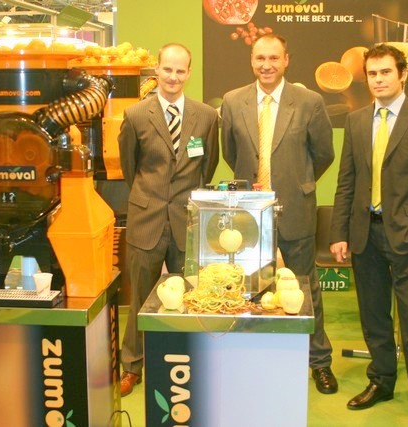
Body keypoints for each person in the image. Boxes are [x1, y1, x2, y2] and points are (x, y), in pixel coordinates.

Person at [329, 44, 408, 427]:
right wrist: (340, 232)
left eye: (386, 72)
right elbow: (347, 181)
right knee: (374, 317)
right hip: (365, 235)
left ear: (403, 74)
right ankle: (381, 380)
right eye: (372, 73)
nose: (378, 79)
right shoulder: (356, 121)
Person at [221, 34, 337, 394]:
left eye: (273, 58)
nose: (266, 65)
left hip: (296, 209)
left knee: (304, 287)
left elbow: (323, 154)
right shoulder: (233, 101)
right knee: (249, 289)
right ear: (251, 60)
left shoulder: (309, 102)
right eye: (260, 58)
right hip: (248, 214)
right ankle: (252, 360)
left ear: (286, 60)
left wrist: (300, 182)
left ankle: (319, 361)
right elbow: (230, 152)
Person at [117, 43, 219, 396]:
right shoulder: (135, 115)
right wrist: (151, 196)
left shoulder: (206, 116)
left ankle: (184, 360)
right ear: (156, 71)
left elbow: (208, 166)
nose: (173, 77)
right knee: (139, 297)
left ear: (188, 73)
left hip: (185, 222)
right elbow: (130, 167)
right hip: (146, 220)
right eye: (167, 69)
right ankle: (132, 366)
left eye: (180, 70)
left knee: (188, 297)